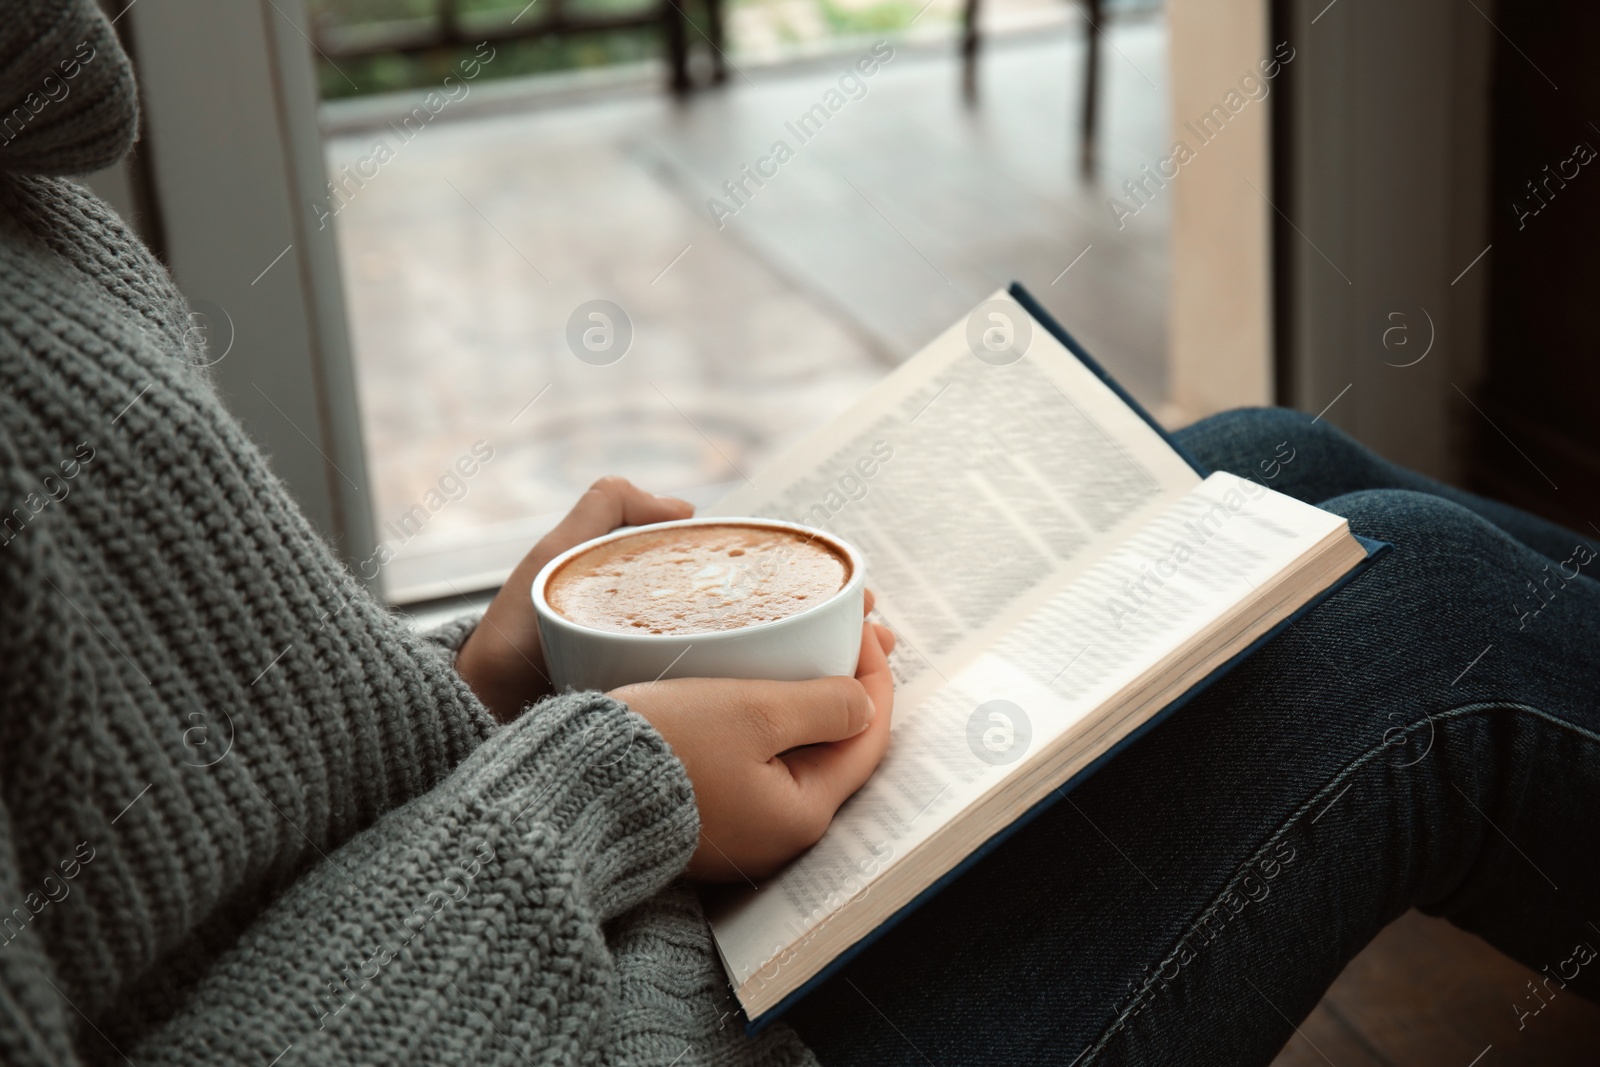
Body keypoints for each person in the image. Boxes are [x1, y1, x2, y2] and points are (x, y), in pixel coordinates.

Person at [2, 3, 1595, 1065]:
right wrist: (596, 786)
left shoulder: (29, 191)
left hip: (561, 960)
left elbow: (166, 817)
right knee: (1426, 619)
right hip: (641, 1014)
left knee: (1262, 466)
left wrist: (466, 706)